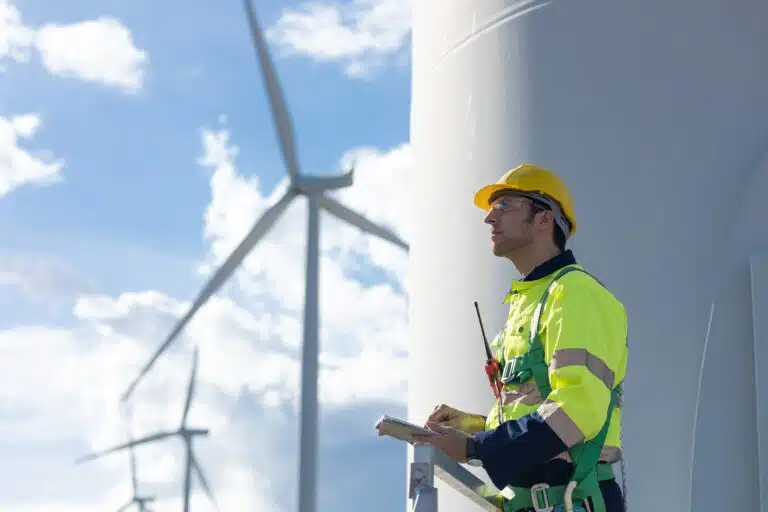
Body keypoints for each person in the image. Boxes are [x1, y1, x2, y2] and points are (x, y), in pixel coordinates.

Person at [412, 164, 628, 512]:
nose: (488, 219)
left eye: (504, 205)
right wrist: (472, 427)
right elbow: (538, 408)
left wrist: (476, 448)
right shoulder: (531, 301)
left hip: (572, 501)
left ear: (544, 219)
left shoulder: (575, 293)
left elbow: (577, 410)